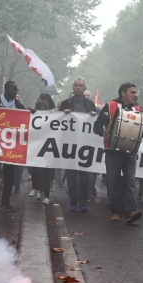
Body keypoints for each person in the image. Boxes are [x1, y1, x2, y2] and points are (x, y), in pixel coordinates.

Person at [94, 83, 143, 223]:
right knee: (113, 181)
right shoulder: (110, 106)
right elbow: (97, 124)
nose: (135, 95)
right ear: (123, 93)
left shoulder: (138, 110)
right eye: (132, 92)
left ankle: (131, 211)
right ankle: (115, 211)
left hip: (130, 151)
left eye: (135, 92)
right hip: (112, 150)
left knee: (130, 181)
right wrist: (102, 131)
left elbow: (141, 131)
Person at [60, 77, 98, 212]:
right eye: (75, 85)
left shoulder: (90, 104)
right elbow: (57, 122)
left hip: (85, 144)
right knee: (71, 175)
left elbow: (96, 122)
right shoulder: (65, 103)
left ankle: (82, 202)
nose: (78, 87)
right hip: (70, 144)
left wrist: (93, 115)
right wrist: (63, 115)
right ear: (73, 88)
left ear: (84, 88)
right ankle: (73, 201)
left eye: (80, 85)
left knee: (84, 175)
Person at [0, 81, 25, 211]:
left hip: (12, 145)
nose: (15, 92)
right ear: (5, 89)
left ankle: (6, 201)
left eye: (16, 90)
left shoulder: (19, 107)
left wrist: (32, 113)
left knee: (10, 173)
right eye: (13, 89)